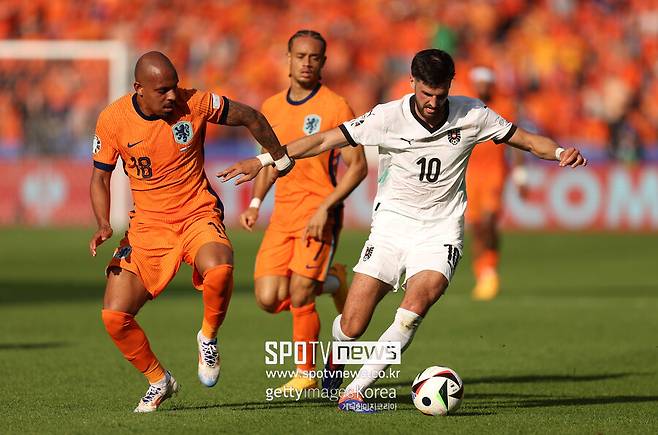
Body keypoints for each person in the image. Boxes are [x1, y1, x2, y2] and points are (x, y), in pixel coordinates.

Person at [218, 49, 587, 413]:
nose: (432, 102)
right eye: (426, 93)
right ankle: (336, 356)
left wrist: (558, 154)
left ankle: (355, 391)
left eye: (440, 95)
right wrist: (265, 159)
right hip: (391, 228)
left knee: (413, 308)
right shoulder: (387, 117)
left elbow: (526, 140)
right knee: (352, 324)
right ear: (412, 83)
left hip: (440, 231)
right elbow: (323, 140)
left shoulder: (472, 113)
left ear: (449, 88)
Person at [89, 51, 292, 413]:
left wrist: (279, 156)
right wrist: (104, 223)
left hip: (196, 213)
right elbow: (100, 177)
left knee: (221, 267)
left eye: (175, 87)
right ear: (139, 89)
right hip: (148, 229)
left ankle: (208, 337)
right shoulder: (113, 119)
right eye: (163, 90)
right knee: (114, 317)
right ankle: (158, 380)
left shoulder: (195, 102)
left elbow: (252, 116)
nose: (172, 96)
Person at [238, 30, 367, 393]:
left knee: (298, 293)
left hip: (318, 213)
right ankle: (336, 280)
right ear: (288, 58)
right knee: (267, 298)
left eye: (314, 57)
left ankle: (307, 371)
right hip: (282, 215)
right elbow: (269, 161)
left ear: (323, 63)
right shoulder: (272, 107)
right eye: (300, 56)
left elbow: (356, 166)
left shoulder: (336, 106)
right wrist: (255, 202)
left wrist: (327, 206)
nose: (307, 63)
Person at [465, 66, 527, 300]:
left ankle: (490, 269)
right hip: (470, 172)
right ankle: (482, 273)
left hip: (494, 171)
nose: (482, 87)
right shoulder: (465, 108)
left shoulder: (504, 107)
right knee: (477, 226)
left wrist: (521, 174)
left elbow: (517, 140)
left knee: (490, 220)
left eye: (485, 83)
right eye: (478, 83)